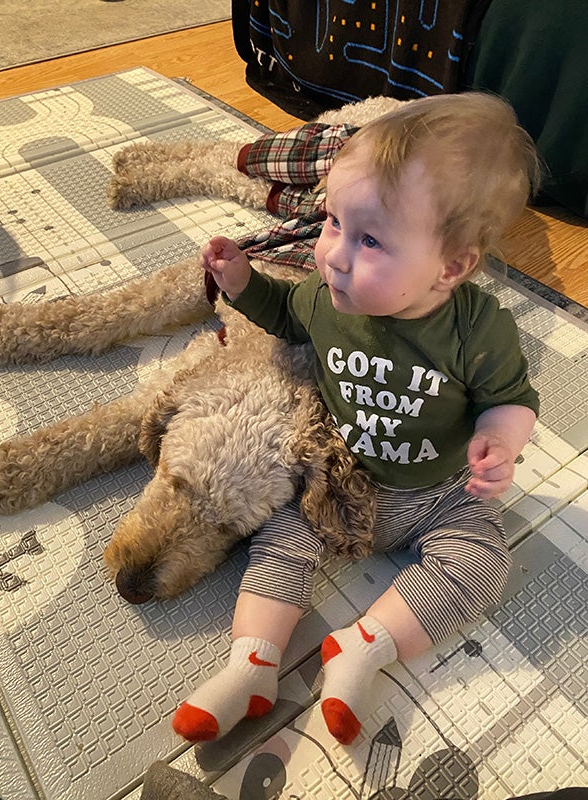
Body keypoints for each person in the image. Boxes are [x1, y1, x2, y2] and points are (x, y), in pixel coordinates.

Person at [172, 92, 541, 746]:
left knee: (484, 563)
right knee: (281, 532)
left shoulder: (478, 330)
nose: (335, 254)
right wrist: (242, 284)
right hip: (341, 480)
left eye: (370, 240)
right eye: (334, 222)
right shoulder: (326, 296)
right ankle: (251, 663)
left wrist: (499, 441)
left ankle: (363, 646)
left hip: (441, 494)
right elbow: (285, 315)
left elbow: (511, 398)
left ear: (451, 266)